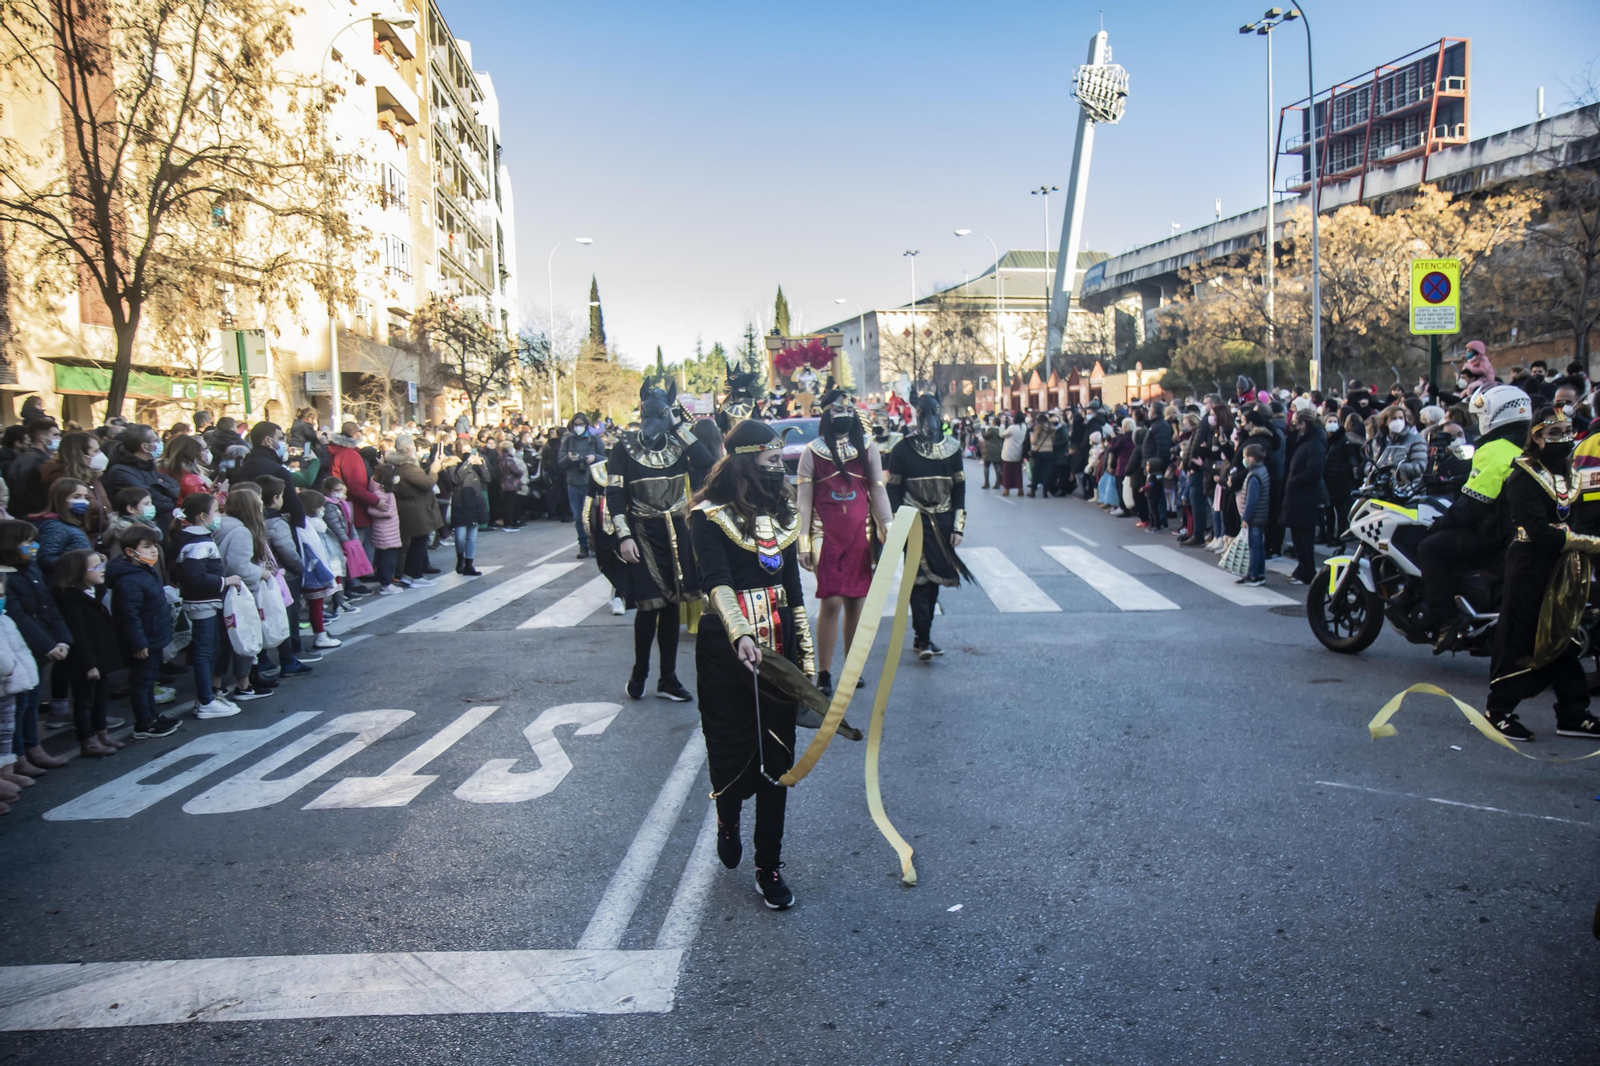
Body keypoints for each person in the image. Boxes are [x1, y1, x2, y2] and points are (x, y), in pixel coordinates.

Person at [690, 417, 814, 911]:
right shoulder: (706, 515)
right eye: (768, 462)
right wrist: (741, 632)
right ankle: (726, 813)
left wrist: (809, 658)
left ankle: (768, 864)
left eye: (778, 464)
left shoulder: (783, 514)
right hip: (727, 648)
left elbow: (795, 591)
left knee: (777, 760)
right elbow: (716, 582)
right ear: (745, 460)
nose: (776, 471)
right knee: (731, 749)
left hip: (779, 648)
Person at [1485, 408, 1600, 741]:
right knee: (1522, 638)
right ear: (1536, 436)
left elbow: (1573, 518)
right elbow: (1536, 529)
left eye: (1567, 431)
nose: (1563, 438)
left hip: (1562, 566)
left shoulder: (1569, 472)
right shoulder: (1523, 475)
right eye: (1554, 433)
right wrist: (1591, 543)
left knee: (1561, 637)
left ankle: (1573, 713)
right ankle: (1499, 709)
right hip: (1530, 566)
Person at [608, 382, 713, 701]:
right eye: (650, 410)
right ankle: (640, 671)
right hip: (641, 532)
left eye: (662, 411)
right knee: (649, 605)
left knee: (672, 604)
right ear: (640, 409)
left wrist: (678, 424)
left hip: (677, 530)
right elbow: (614, 495)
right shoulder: (622, 446)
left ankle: (668, 677)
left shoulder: (678, 442)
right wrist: (623, 535)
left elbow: (707, 462)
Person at [796, 384, 893, 697]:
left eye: (850, 410)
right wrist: (803, 542)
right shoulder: (812, 453)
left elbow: (877, 489)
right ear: (827, 413)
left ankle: (854, 668)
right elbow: (803, 501)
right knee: (832, 600)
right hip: (826, 534)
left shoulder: (868, 448)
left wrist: (887, 524)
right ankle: (824, 672)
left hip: (860, 535)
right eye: (839, 409)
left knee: (856, 601)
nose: (845, 415)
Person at [1419, 386, 1531, 652]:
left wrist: (1441, 522)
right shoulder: (1526, 442)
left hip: (1493, 533)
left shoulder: (1495, 449)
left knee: (1429, 547)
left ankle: (1447, 620)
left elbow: (1472, 506)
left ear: (1496, 415)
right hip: (1520, 529)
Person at [887, 391, 969, 661]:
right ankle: (923, 637)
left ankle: (923, 633)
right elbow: (893, 489)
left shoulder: (953, 448)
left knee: (933, 581)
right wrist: (899, 522)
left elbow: (959, 489)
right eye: (924, 413)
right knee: (918, 580)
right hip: (914, 520)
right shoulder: (901, 449)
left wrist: (958, 527)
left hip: (943, 522)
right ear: (916, 414)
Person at [170, 492, 244, 717]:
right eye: (216, 511)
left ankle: (208, 696)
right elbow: (196, 577)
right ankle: (205, 700)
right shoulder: (198, 542)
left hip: (202, 602)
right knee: (204, 651)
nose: (220, 515)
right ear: (203, 516)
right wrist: (225, 581)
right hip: (202, 603)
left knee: (208, 649)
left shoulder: (189, 537)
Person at [107, 524, 182, 739]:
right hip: (144, 640)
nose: (154, 551)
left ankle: (153, 716)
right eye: (147, 547)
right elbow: (129, 617)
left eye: (155, 546)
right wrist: (138, 644)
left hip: (154, 635)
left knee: (149, 680)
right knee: (142, 682)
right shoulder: (129, 580)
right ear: (130, 552)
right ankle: (144, 723)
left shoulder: (145, 571)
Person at [52, 549, 122, 757]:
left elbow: (100, 586)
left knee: (100, 696)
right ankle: (87, 738)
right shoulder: (71, 600)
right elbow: (78, 636)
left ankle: (101, 732)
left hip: (101, 654)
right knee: (84, 700)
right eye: (96, 567)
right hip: (85, 659)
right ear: (77, 572)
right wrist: (89, 664)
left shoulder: (92, 591)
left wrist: (101, 563)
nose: (102, 570)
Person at [216, 487, 277, 701]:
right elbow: (238, 566)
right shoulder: (242, 531)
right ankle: (244, 684)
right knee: (245, 635)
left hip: (220, 590)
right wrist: (261, 573)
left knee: (225, 640)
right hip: (237, 591)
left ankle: (222, 685)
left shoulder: (221, 524)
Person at [257, 475, 315, 676]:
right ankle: (288, 658)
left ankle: (264, 658)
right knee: (287, 618)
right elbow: (287, 551)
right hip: (284, 575)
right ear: (275, 497)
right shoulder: (276, 522)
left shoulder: (258, 520)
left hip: (269, 574)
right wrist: (300, 568)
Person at [101, 424, 180, 533]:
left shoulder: (147, 464)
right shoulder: (120, 472)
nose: (160, 443)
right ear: (145, 447)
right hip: (138, 530)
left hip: (159, 525)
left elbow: (174, 486)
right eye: (155, 440)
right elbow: (151, 497)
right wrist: (169, 497)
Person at [388, 434, 443, 587]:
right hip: (415, 509)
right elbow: (427, 483)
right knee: (419, 542)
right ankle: (415, 574)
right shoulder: (408, 467)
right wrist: (434, 471)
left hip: (409, 508)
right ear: (410, 448)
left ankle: (408, 573)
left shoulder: (398, 465)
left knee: (414, 543)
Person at [1280, 409, 1327, 585]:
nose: (1292, 425)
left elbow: (1314, 470)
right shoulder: (1303, 441)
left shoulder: (1315, 443)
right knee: (1298, 537)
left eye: (1295, 422)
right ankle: (1302, 568)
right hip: (1297, 495)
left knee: (1304, 537)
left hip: (1305, 496)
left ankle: (1307, 570)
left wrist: (1294, 481)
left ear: (1303, 424)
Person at [40, 431, 110, 544]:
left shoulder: (92, 477)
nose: (100, 455)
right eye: (95, 451)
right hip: (79, 543)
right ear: (79, 454)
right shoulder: (61, 480)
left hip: (97, 540)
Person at [296, 488, 342, 648]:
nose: (323, 509)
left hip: (313, 569)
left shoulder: (305, 524)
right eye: (320, 506)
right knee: (316, 604)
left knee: (316, 605)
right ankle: (320, 635)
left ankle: (320, 631)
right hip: (314, 570)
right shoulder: (310, 526)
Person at [559, 414, 605, 558]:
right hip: (574, 483)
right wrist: (569, 458)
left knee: (594, 516)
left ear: (586, 425)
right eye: (575, 424)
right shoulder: (568, 440)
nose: (578, 427)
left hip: (591, 482)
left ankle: (597, 544)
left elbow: (605, 458)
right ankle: (583, 545)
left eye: (581, 424)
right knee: (579, 517)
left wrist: (594, 458)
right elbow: (560, 462)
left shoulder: (594, 439)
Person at [31, 477, 93, 575]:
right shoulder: (55, 526)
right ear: (61, 498)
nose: (83, 501)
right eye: (76, 497)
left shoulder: (70, 523)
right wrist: (82, 564)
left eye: (85, 497)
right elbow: (46, 559)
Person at [7, 418, 60, 517]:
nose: (59, 439)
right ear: (42, 438)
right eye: (55, 435)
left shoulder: (18, 459)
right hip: (39, 515)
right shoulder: (42, 461)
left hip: (21, 515)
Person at [368, 461, 405, 594]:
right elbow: (371, 510)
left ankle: (386, 581)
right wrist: (388, 513)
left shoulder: (385, 491)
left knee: (388, 557)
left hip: (390, 531)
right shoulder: (380, 493)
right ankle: (386, 583)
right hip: (385, 532)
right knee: (387, 559)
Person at [1236, 443, 1270, 588]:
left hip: (1255, 517)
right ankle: (1259, 574)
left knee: (1254, 547)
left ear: (1250, 459)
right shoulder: (1262, 470)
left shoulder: (1254, 476)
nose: (1243, 460)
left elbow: (1251, 500)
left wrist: (1245, 518)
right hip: (1261, 515)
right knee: (1259, 547)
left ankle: (1254, 575)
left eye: (1244, 457)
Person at [998, 414, 1026, 497]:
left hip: (1008, 453)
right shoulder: (1024, 427)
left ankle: (1006, 489)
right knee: (1018, 472)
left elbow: (1002, 434)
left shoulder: (1012, 428)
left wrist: (1002, 424)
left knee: (1007, 472)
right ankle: (1020, 489)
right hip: (1018, 452)